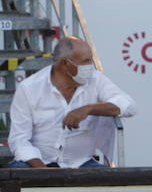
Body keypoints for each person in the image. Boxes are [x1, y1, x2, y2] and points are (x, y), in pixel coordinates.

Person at [7, 37, 135, 169]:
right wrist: (43, 171)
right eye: (86, 61)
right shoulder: (29, 88)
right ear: (64, 64)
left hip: (81, 163)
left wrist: (88, 109)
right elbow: (19, 140)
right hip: (38, 163)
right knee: (17, 174)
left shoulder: (95, 80)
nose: (91, 65)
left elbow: (129, 105)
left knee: (109, 179)